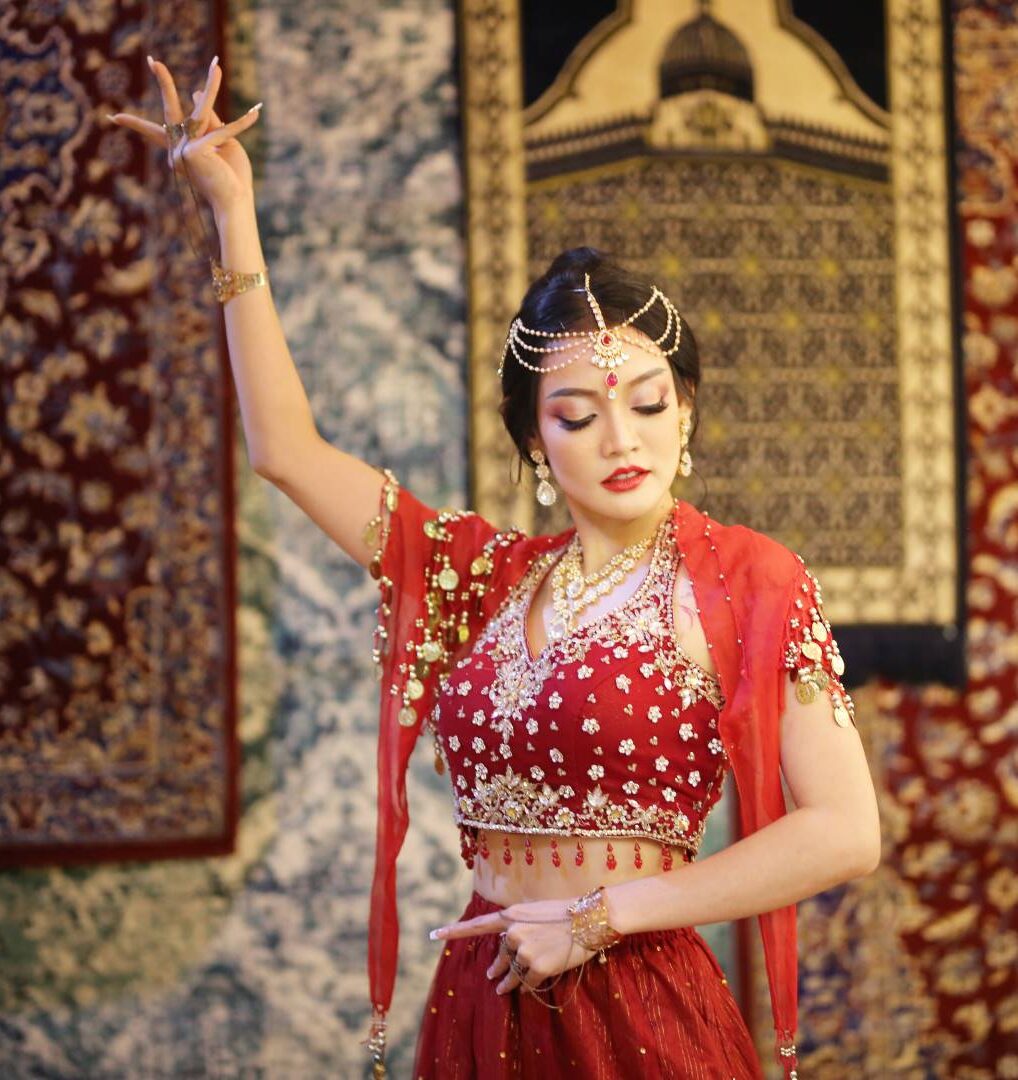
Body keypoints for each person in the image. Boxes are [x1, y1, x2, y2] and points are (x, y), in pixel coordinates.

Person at [109, 57, 882, 1080]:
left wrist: (602, 917)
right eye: (577, 415)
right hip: (487, 996)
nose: (621, 438)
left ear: (685, 410)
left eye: (648, 403)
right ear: (534, 442)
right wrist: (231, 215)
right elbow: (284, 452)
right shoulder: (477, 575)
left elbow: (844, 831)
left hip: (637, 1000)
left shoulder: (743, 578)